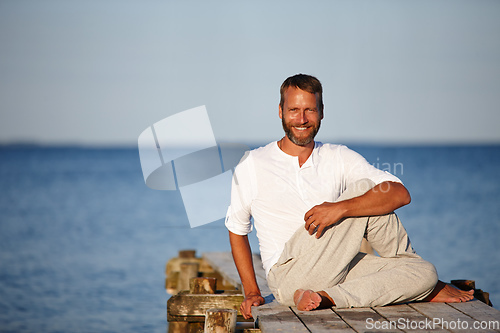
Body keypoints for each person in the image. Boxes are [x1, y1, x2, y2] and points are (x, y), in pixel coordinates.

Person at [225, 74, 474, 319]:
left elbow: (400, 193)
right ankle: (418, 288)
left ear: (322, 112)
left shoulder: (338, 156)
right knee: (365, 188)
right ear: (280, 111)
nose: (301, 119)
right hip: (289, 274)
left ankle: (329, 297)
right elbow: (237, 229)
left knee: (425, 272)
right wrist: (251, 291)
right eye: (294, 110)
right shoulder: (253, 163)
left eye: (310, 110)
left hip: (337, 269)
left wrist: (340, 208)